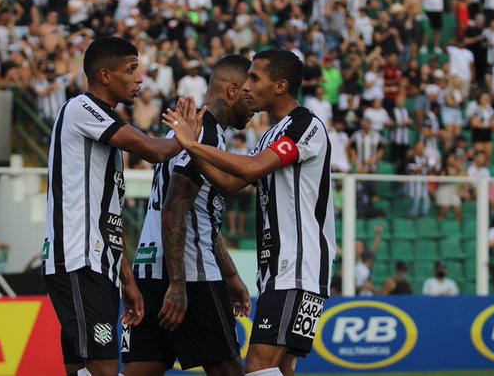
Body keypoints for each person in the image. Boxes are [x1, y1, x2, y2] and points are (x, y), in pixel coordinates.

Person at [162, 50, 336, 376]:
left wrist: (194, 145)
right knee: (281, 368)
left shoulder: (305, 125)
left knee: (256, 367)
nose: (247, 86)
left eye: (255, 78)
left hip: (298, 266)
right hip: (280, 270)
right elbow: (229, 184)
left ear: (281, 86)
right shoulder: (271, 135)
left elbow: (254, 166)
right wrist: (194, 146)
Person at [41, 37, 199, 376]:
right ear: (105, 75)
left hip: (98, 262)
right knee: (104, 368)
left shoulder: (104, 129)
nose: (140, 78)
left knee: (81, 368)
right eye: (131, 70)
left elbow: (109, 217)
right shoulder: (81, 108)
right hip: (77, 258)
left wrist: (126, 278)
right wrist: (185, 137)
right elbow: (154, 151)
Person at [122, 55, 254, 376]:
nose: (255, 105)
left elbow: (201, 217)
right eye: (249, 95)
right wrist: (179, 284)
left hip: (151, 271)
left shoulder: (185, 130)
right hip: (190, 275)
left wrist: (232, 276)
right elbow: (175, 208)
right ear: (233, 90)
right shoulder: (204, 134)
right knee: (228, 368)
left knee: (145, 367)